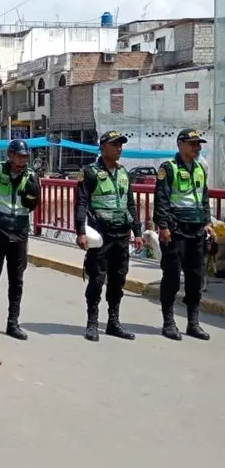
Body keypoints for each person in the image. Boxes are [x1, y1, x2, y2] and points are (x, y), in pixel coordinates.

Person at [74, 130, 144, 342]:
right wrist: (81, 231)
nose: (119, 148)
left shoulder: (123, 173)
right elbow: (81, 203)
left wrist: (138, 231)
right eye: (114, 145)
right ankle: (92, 322)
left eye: (120, 145)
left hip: (121, 235)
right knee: (96, 279)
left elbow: (129, 204)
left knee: (118, 280)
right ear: (103, 147)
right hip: (101, 235)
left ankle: (113, 322)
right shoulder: (90, 172)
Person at [0, 139, 41, 341]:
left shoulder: (31, 176)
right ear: (10, 155)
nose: (23, 161)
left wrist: (31, 197)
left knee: (17, 279)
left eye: (25, 157)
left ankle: (13, 322)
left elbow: (33, 204)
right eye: (19, 156)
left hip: (19, 231)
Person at [153, 128, 214, 341]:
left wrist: (208, 222)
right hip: (175, 230)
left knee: (195, 278)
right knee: (171, 276)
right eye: (193, 144)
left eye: (199, 144)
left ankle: (192, 323)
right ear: (180, 145)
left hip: (196, 230)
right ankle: (168, 321)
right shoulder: (168, 169)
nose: (197, 147)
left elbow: (203, 198)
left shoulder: (199, 169)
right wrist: (163, 226)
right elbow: (161, 199)